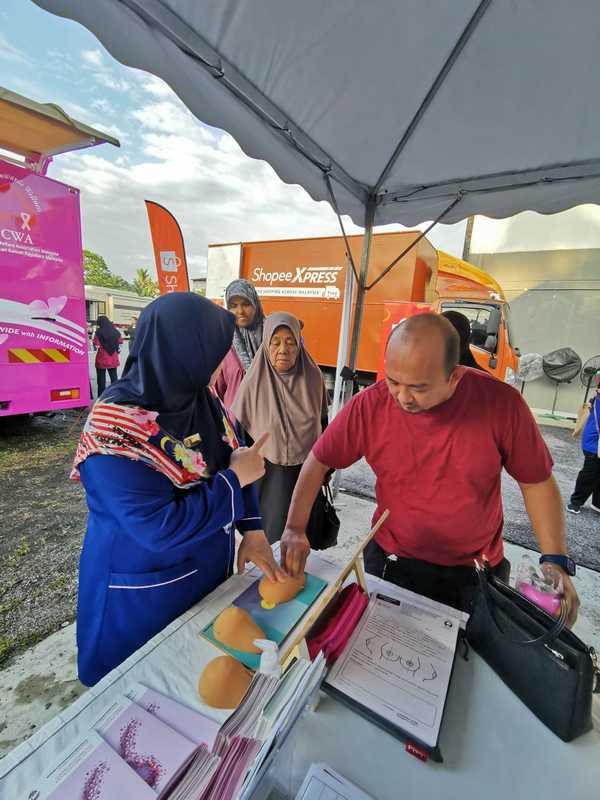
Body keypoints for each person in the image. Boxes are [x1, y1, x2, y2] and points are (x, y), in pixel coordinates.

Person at [280, 313, 580, 624]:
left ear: (454, 376)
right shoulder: (370, 405)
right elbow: (319, 460)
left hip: (475, 571)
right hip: (392, 561)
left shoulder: (501, 404)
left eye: (419, 388)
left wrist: (555, 561)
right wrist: (294, 528)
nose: (402, 397)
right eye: (394, 381)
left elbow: (536, 482)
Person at [71, 293, 285, 686]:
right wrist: (235, 481)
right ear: (181, 350)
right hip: (141, 594)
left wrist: (252, 528)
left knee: (195, 678)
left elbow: (240, 454)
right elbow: (159, 529)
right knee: (139, 690)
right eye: (216, 350)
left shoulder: (200, 397)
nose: (225, 362)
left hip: (205, 577)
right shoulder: (114, 433)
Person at [232, 312, 329, 544]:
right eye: (275, 342)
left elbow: (324, 429)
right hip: (267, 480)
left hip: (306, 474)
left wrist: (325, 470)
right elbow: (240, 439)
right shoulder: (253, 383)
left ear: (299, 343)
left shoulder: (313, 377)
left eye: (290, 342)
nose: (283, 349)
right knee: (271, 538)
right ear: (266, 345)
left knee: (303, 540)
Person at [567, 380, 600, 514]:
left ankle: (597, 503)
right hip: (594, 443)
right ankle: (575, 502)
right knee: (590, 474)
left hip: (595, 442)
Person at [225, 278, 265, 371]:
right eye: (233, 306)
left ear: (255, 304)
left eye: (246, 304)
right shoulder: (224, 344)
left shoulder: (273, 334)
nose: (240, 311)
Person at [93, 315, 123, 395]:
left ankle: (101, 397)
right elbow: (120, 344)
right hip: (113, 357)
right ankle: (115, 395)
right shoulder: (116, 331)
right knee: (114, 378)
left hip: (102, 358)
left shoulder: (98, 332)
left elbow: (96, 345)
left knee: (101, 380)